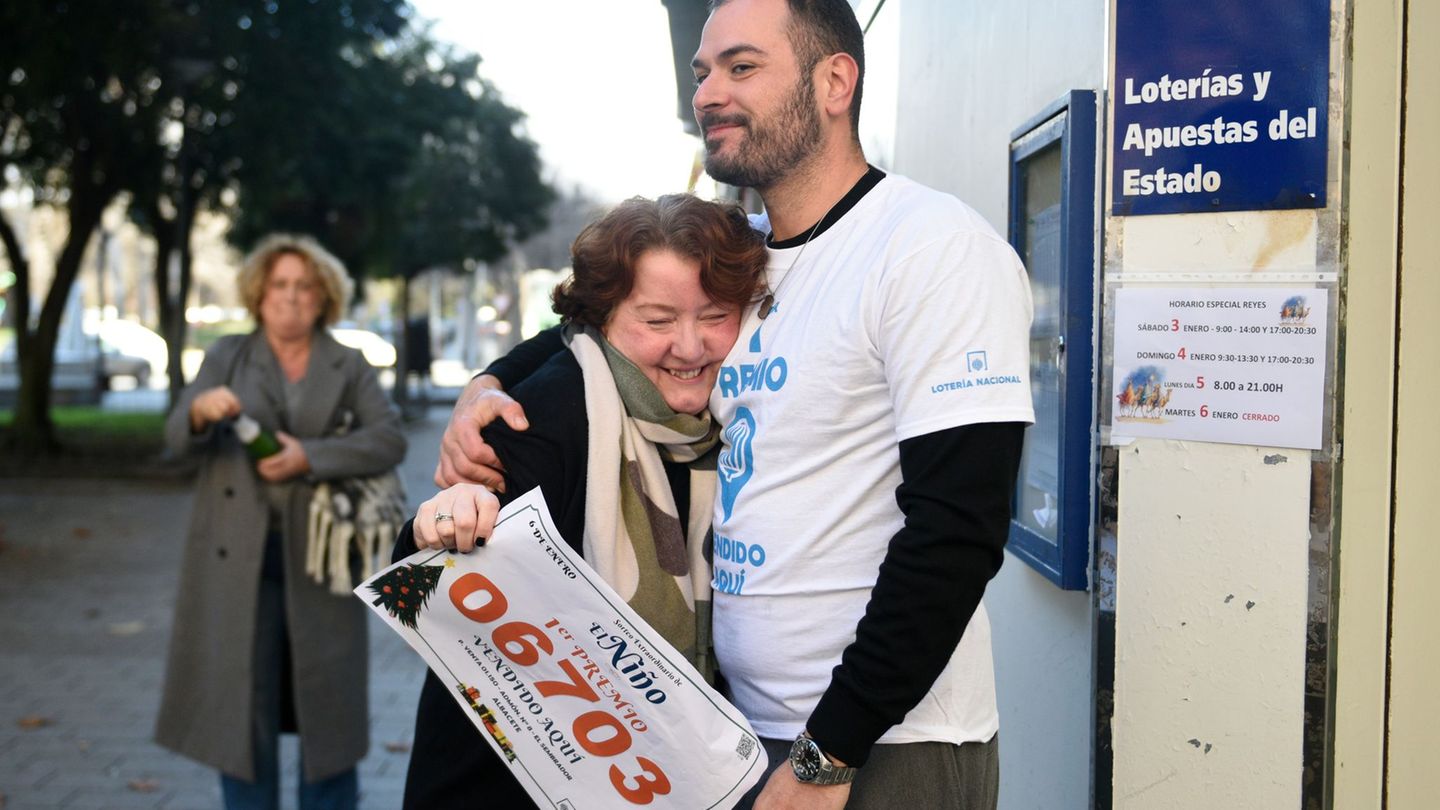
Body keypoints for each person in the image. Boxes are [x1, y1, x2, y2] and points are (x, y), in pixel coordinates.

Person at [435, 1, 1034, 806]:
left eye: (742, 67)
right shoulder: (743, 261)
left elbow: (959, 527)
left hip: (885, 742)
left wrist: (831, 751)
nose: (709, 94)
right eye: (702, 73)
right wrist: (486, 384)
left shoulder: (931, 249)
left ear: (835, 81)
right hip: (739, 733)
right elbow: (595, 326)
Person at [395, 194, 768, 809]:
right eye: (657, 321)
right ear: (603, 317)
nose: (690, 346)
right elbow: (422, 579)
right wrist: (438, 524)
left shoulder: (733, 417)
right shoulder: (543, 414)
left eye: (715, 315)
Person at [155, 234, 406, 809]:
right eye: (280, 285)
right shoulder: (227, 356)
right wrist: (199, 411)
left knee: (330, 715)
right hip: (233, 561)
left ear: (324, 297)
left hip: (321, 558)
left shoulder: (348, 363)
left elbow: (389, 439)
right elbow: (175, 436)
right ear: (259, 294)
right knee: (241, 713)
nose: (291, 297)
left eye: (304, 286)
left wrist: (309, 457)